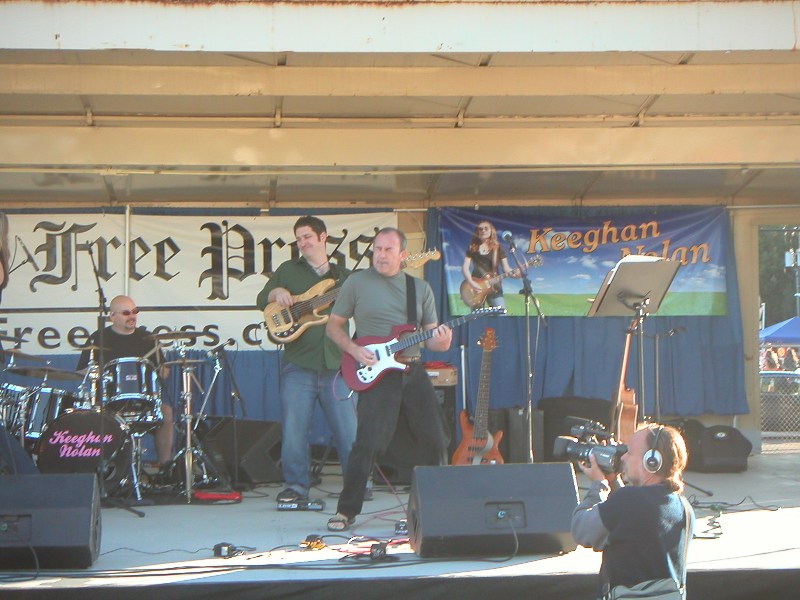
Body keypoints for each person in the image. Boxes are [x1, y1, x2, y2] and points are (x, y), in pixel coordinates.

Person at [325, 227, 453, 531]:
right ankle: (346, 511)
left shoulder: (419, 289)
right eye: (378, 249)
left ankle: (435, 509)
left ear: (402, 255)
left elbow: (433, 339)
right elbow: (333, 326)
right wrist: (354, 350)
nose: (381, 255)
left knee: (436, 440)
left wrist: (443, 340)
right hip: (377, 373)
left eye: (388, 250)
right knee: (367, 443)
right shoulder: (356, 283)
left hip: (412, 368)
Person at [255, 216, 357, 504]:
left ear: (323, 237)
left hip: (337, 365)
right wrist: (277, 292)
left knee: (350, 432)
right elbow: (262, 299)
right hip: (298, 365)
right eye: (299, 238)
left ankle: (358, 484)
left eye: (307, 237)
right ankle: (296, 487)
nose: (302, 243)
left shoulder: (345, 277)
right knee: (294, 432)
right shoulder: (288, 270)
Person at [572, 424, 694, 599]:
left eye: (629, 452)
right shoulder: (685, 509)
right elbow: (633, 515)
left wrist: (599, 485)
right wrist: (614, 481)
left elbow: (581, 529)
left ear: (651, 461)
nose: (623, 458)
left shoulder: (627, 501)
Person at [76, 295, 174, 468]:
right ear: (112, 316)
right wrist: (96, 372)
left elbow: (164, 371)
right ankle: (101, 468)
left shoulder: (147, 338)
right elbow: (80, 372)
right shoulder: (98, 338)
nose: (132, 316)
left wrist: (161, 372)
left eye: (135, 311)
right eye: (126, 313)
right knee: (88, 417)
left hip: (143, 401)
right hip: (107, 401)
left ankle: (165, 468)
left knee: (166, 413)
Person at [461, 219, 519, 309]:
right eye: (480, 229)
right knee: (477, 316)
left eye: (486, 228)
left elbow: (506, 268)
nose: (483, 230)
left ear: (491, 231)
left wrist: (516, 274)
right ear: (477, 232)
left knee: (501, 314)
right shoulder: (472, 248)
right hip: (476, 288)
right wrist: (471, 283)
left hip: (494, 287)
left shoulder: (498, 248)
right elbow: (465, 267)